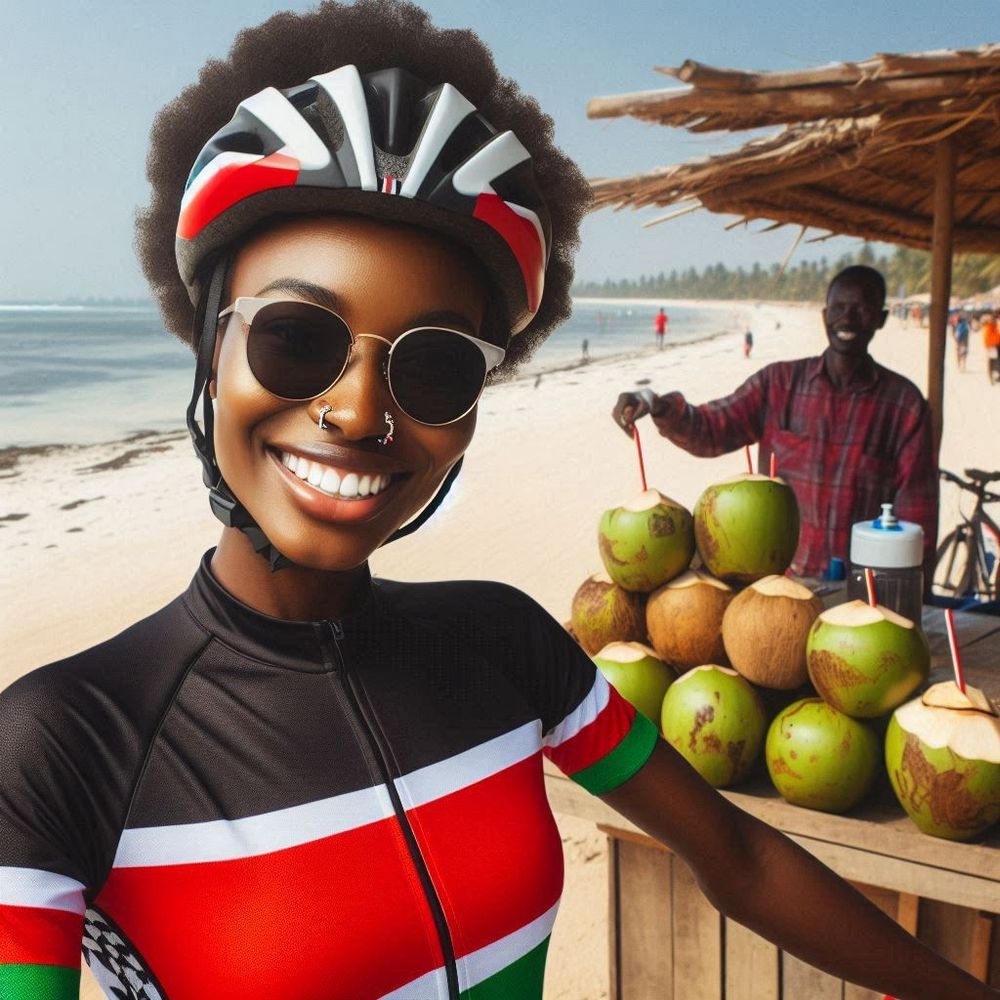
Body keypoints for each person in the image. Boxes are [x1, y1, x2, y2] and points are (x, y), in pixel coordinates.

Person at [0, 8, 993, 1000]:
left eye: (432, 368)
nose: (354, 410)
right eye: (296, 339)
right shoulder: (69, 737)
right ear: (209, 348)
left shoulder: (504, 640)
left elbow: (738, 856)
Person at [612, 266, 939, 583]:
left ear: (881, 319)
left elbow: (917, 516)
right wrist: (656, 403)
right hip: (778, 584)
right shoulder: (778, 384)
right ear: (825, 315)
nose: (848, 318)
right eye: (838, 307)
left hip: (864, 588)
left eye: (861, 308)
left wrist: (913, 593)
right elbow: (710, 429)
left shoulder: (904, 405)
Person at [982, 311, 1000, 383]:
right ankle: (991, 378)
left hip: (993, 344)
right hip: (993, 345)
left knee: (993, 361)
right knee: (992, 361)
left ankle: (993, 377)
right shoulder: (991, 324)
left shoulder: (990, 324)